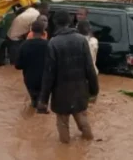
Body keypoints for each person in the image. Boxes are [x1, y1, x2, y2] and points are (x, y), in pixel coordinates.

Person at [38, 10, 99, 144]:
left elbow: (49, 74)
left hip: (61, 93)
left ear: (55, 23)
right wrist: (94, 90)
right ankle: (88, 143)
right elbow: (90, 68)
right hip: (80, 89)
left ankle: (65, 153)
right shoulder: (82, 40)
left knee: (62, 122)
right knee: (82, 119)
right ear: (70, 22)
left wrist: (43, 99)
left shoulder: (53, 43)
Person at [15, 20, 49, 107]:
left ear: (31, 31)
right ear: (43, 31)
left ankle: (32, 114)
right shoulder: (49, 45)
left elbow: (18, 66)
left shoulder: (24, 45)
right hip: (45, 80)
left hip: (30, 80)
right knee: (43, 104)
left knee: (34, 102)